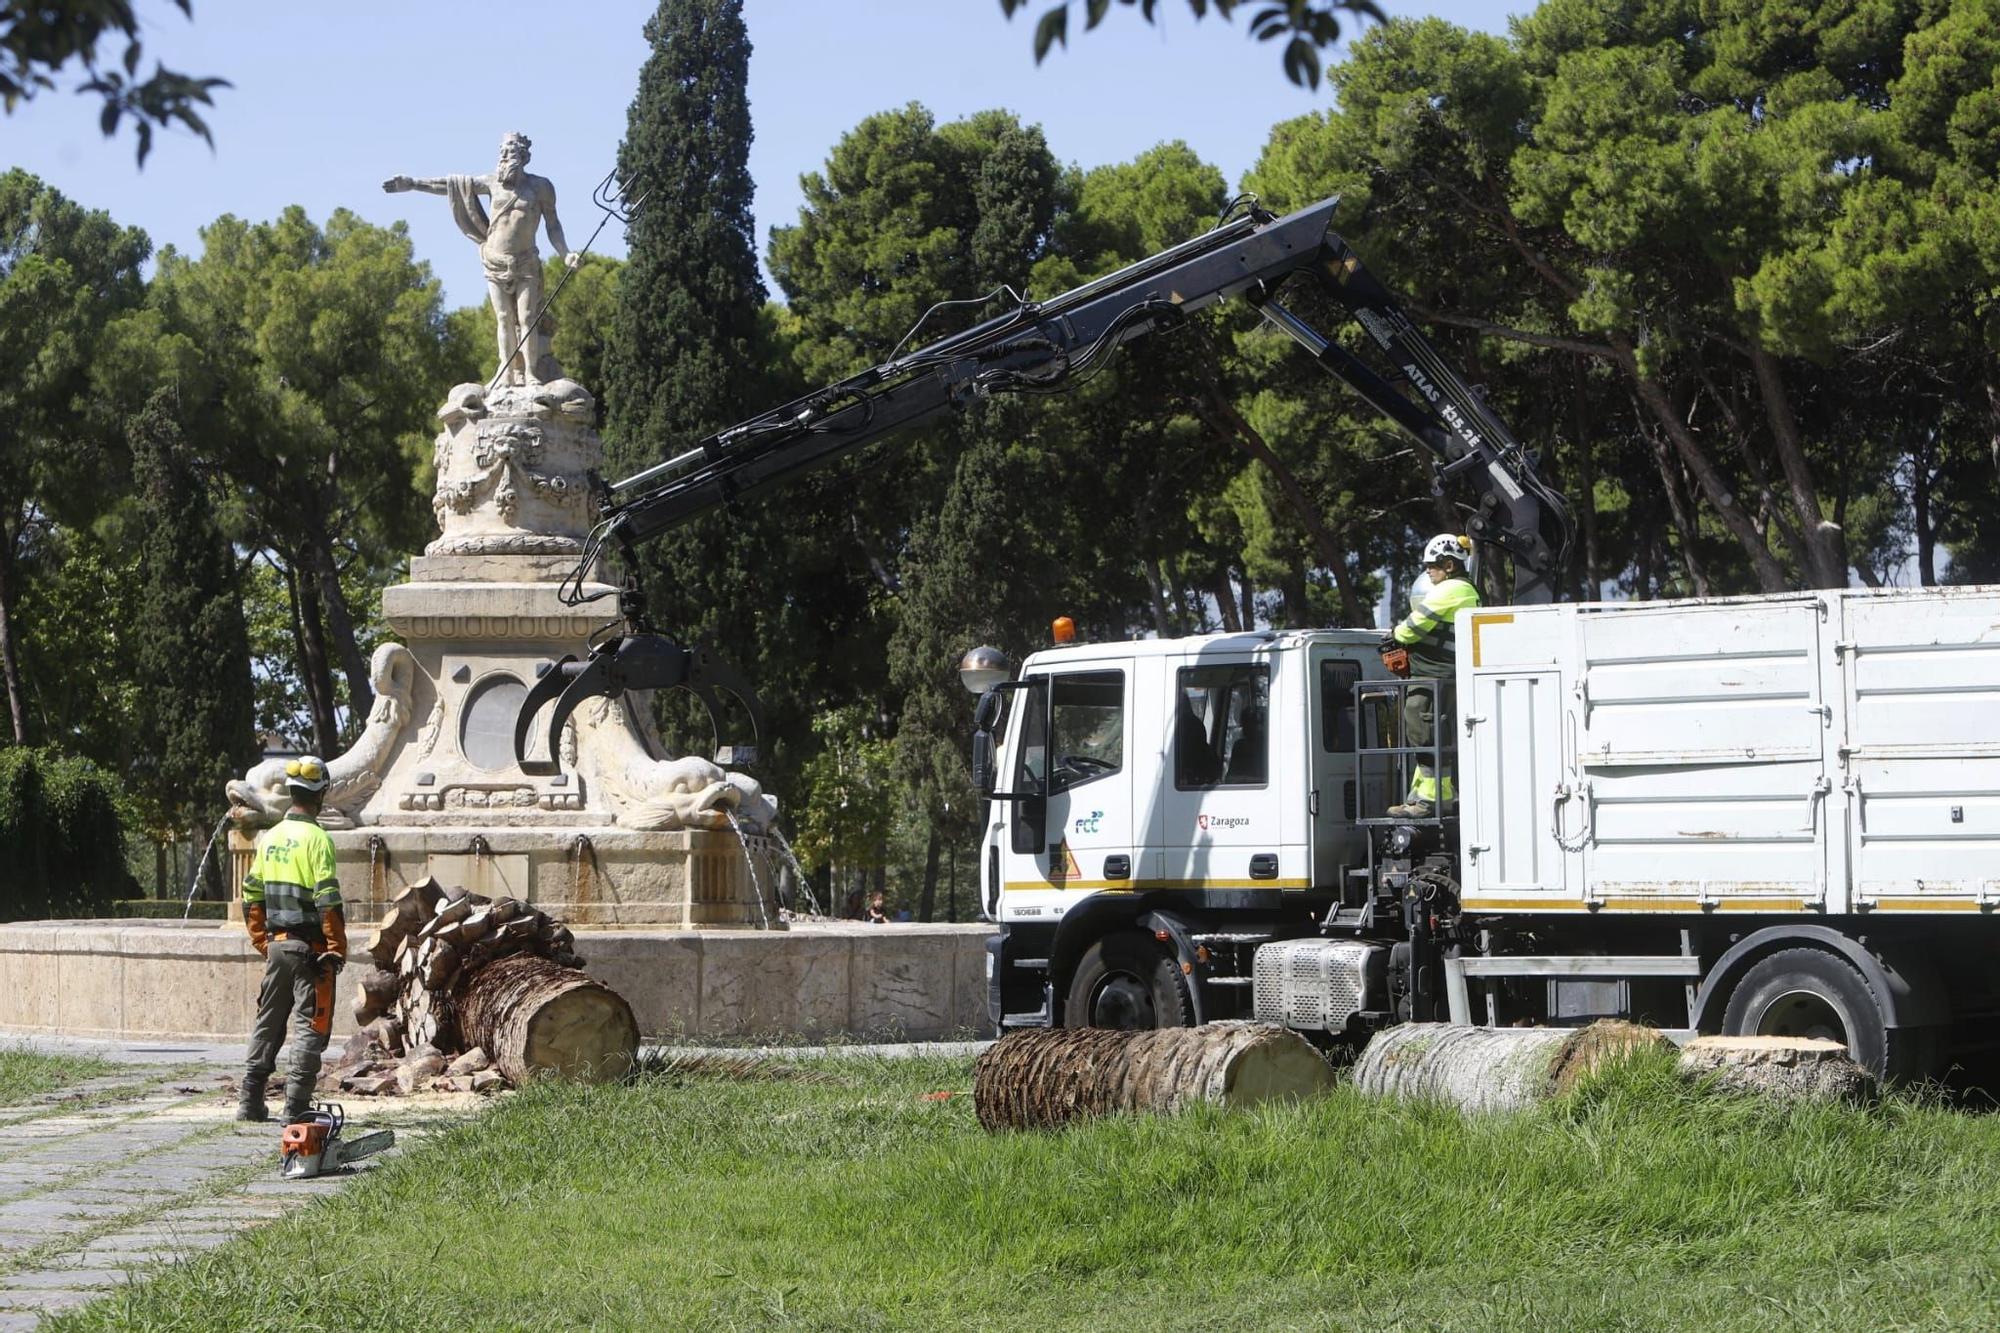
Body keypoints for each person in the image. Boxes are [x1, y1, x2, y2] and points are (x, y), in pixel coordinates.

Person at [383, 132, 580, 387]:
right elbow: (452, 185)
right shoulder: (492, 182)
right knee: (503, 317)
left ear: (522, 155)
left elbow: (553, 226)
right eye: (502, 151)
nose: (503, 155)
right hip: (495, 260)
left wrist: (566, 254)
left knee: (528, 317)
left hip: (526, 262)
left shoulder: (541, 187)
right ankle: (506, 372)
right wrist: (412, 183)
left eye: (509, 150)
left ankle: (531, 373)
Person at [236, 756, 347, 1124]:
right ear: (321, 796)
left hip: (278, 946)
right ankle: (296, 1106)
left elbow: (251, 895)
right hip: (310, 952)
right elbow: (328, 901)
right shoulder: (318, 839)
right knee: (309, 1027)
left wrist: (264, 943)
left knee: (268, 1023)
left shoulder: (271, 838)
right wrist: (335, 949)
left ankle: (250, 1101)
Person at [1383, 534, 1481, 818]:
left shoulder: (1451, 589)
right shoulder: (1462, 589)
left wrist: (1395, 635)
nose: (1427, 570)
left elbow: (1413, 626)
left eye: (1432, 565)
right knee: (1425, 731)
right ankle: (1420, 795)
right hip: (1437, 673)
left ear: (1449, 565)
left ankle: (1430, 800)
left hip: (1435, 673)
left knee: (1420, 724)